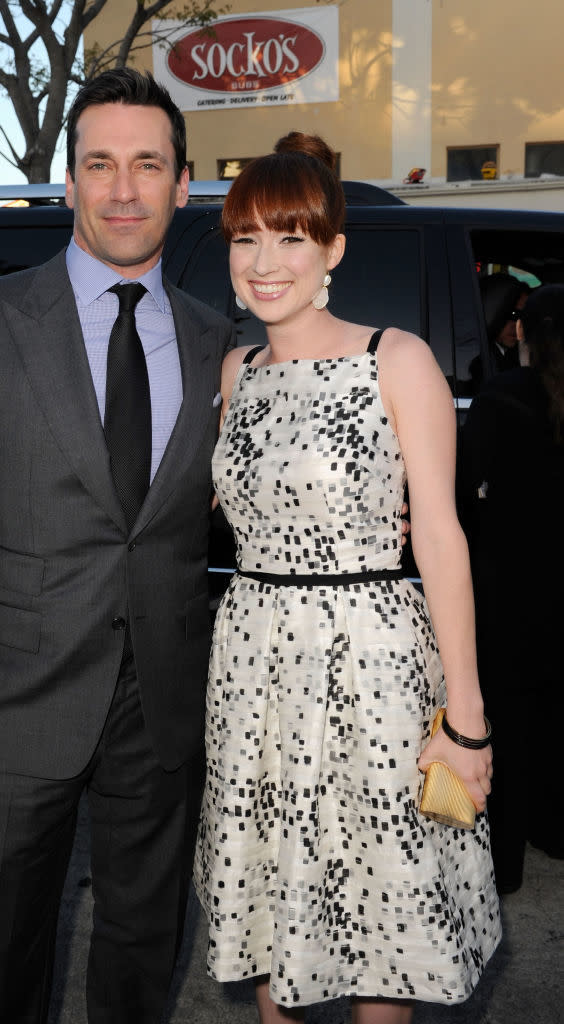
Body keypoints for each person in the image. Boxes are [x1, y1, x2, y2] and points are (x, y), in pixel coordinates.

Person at [0, 69, 233, 1024]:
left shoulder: (221, 344)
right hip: (7, 711)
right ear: (69, 183)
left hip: (160, 705)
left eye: (147, 165)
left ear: (184, 185)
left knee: (140, 956)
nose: (124, 189)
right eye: (101, 165)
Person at [193, 133, 501, 1024]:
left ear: (332, 249)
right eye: (246, 238)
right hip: (252, 667)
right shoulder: (235, 372)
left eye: (291, 237)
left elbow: (441, 537)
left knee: (385, 916)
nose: (264, 261)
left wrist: (467, 720)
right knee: (266, 902)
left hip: (374, 664)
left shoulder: (394, 359)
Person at [458, 283, 564, 893]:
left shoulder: (500, 399)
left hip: (510, 591)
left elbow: (465, 493)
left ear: (521, 331)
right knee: (554, 718)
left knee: (511, 724)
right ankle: (554, 829)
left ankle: (504, 865)